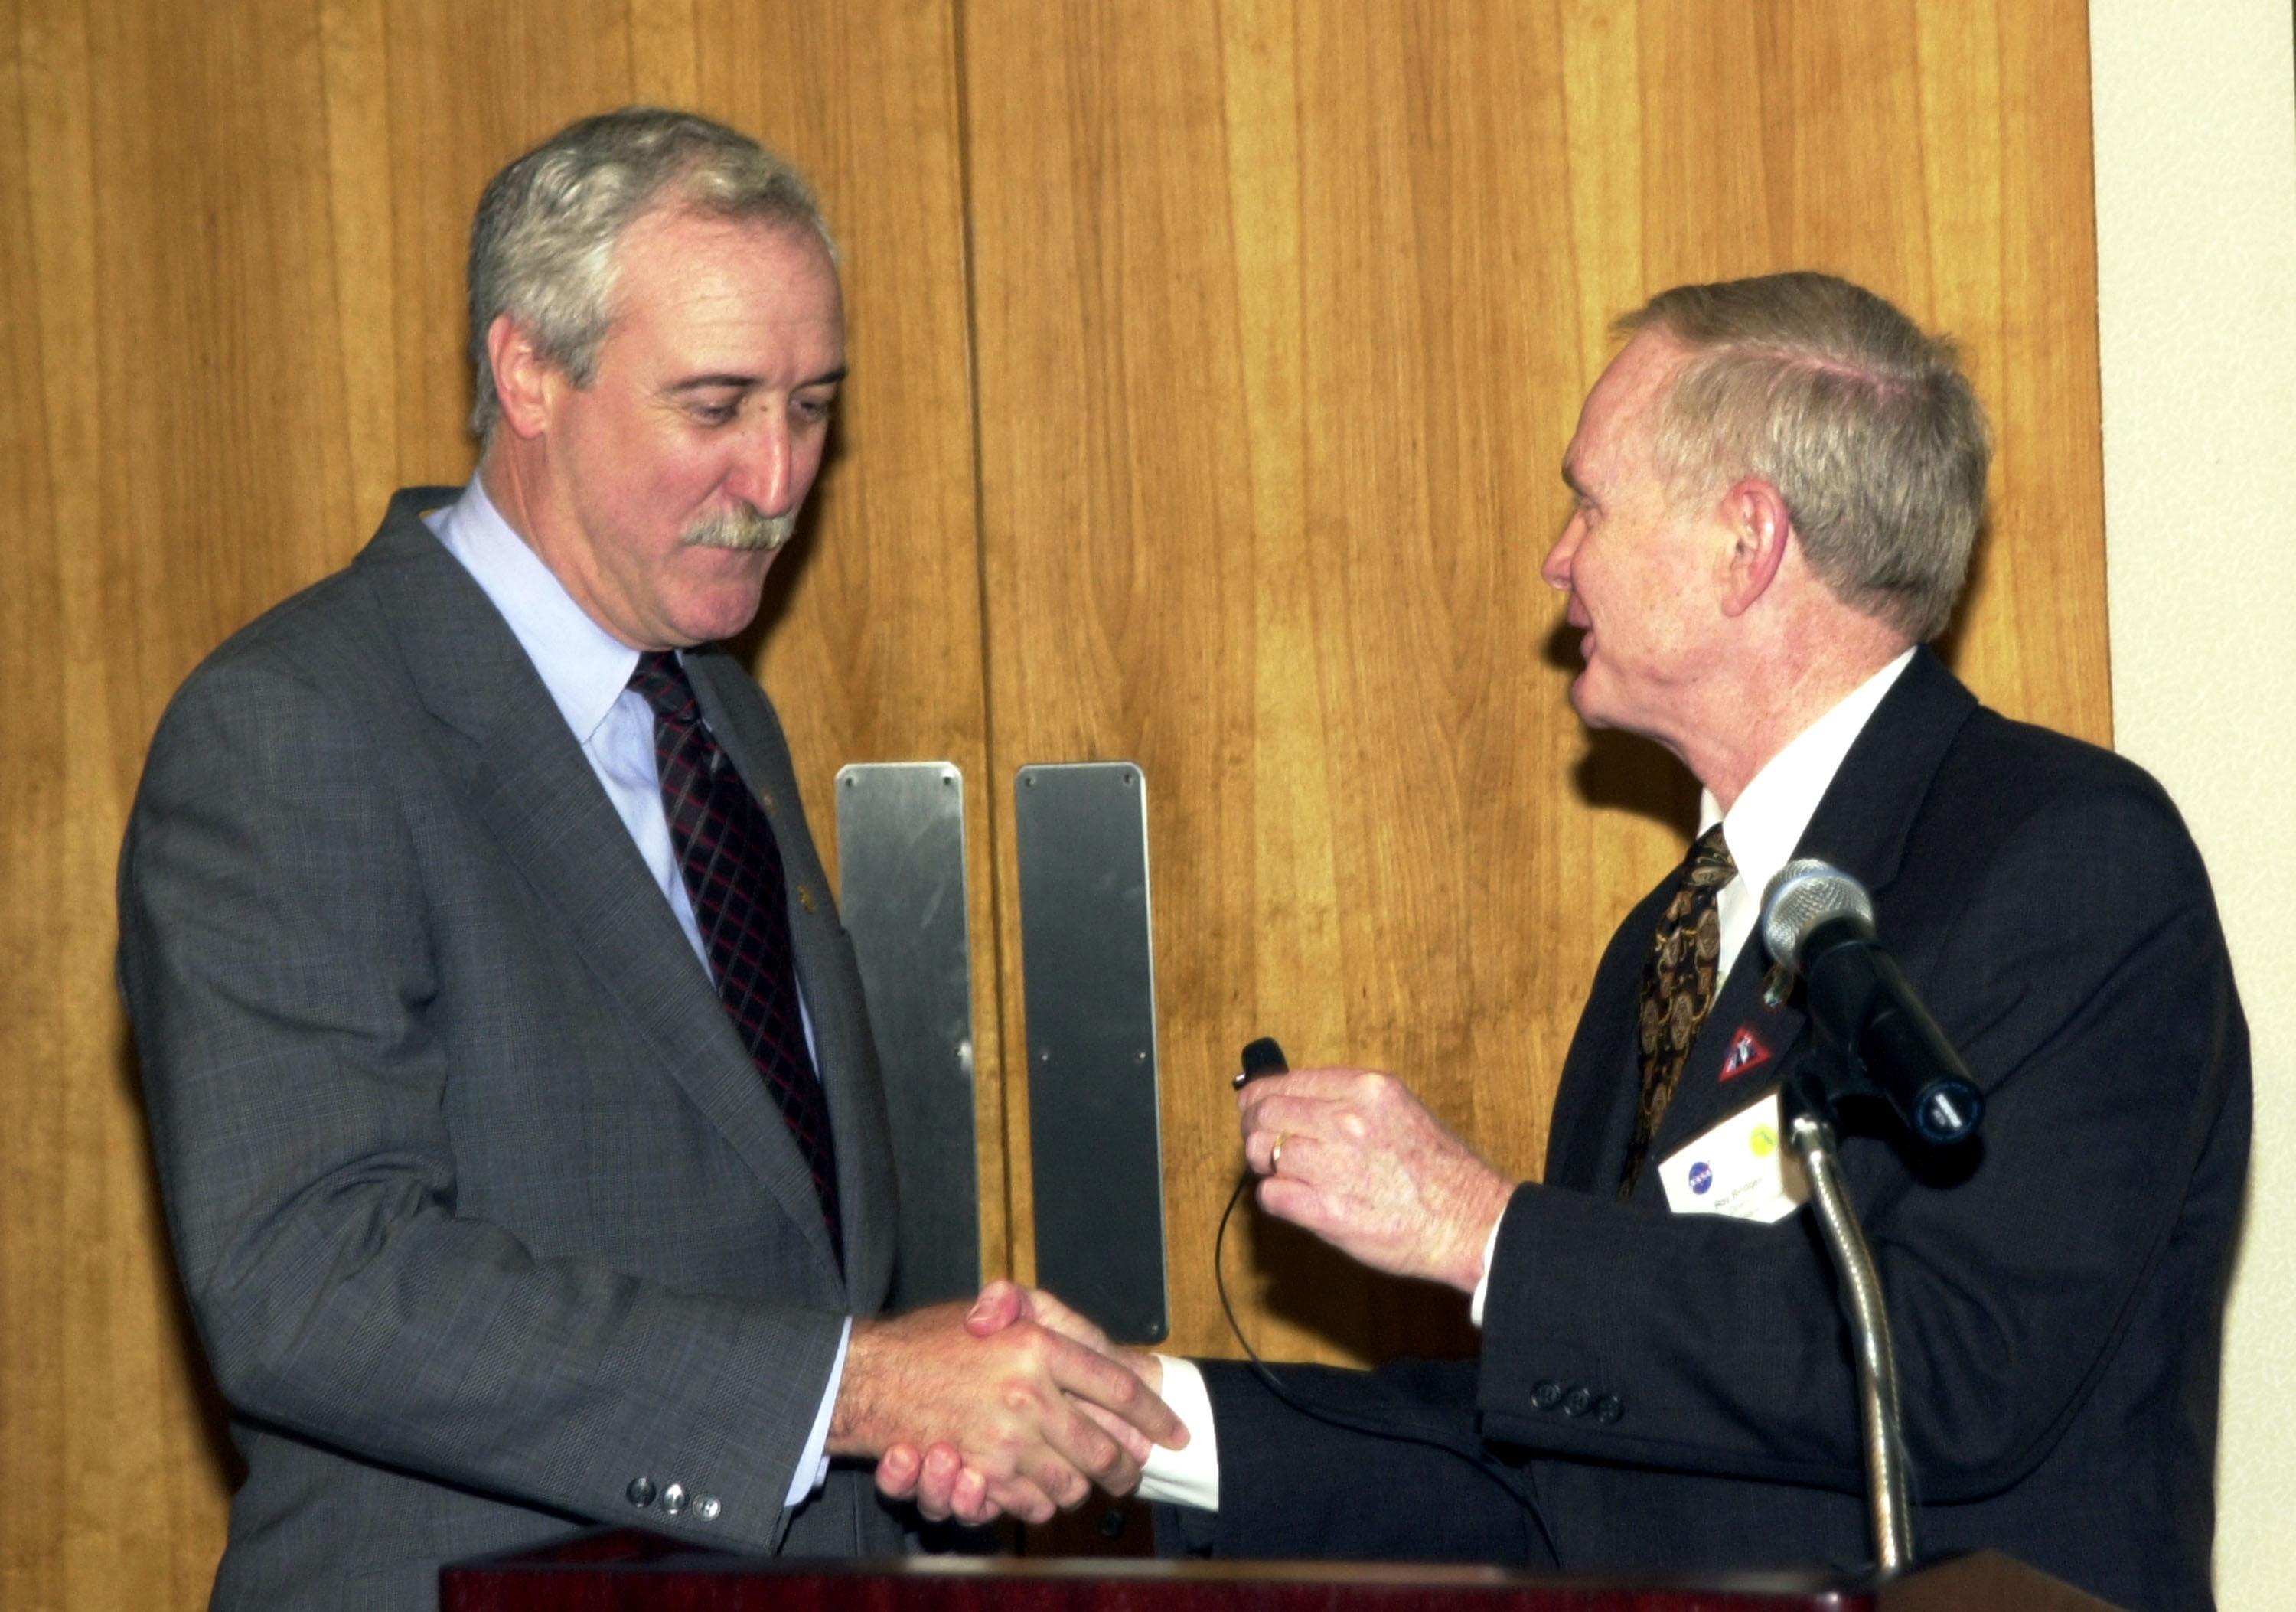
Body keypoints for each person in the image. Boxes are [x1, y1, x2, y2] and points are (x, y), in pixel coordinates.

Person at [894, 273, 2250, 1612]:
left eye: (1590, 501)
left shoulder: (2070, 863)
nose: (1556, 556)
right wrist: (1134, 1415)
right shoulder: (1667, 946)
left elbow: (1951, 1371)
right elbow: (1572, 1470)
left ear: (1746, 542)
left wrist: (1480, 1229)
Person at [117, 107, 1180, 1612]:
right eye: (716, 405)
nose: (777, 474)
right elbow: (312, 1286)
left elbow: (769, 1251)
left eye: (814, 405)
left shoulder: (711, 709)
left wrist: (926, 1415)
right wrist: (861, 1392)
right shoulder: (297, 726)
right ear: (527, 374)